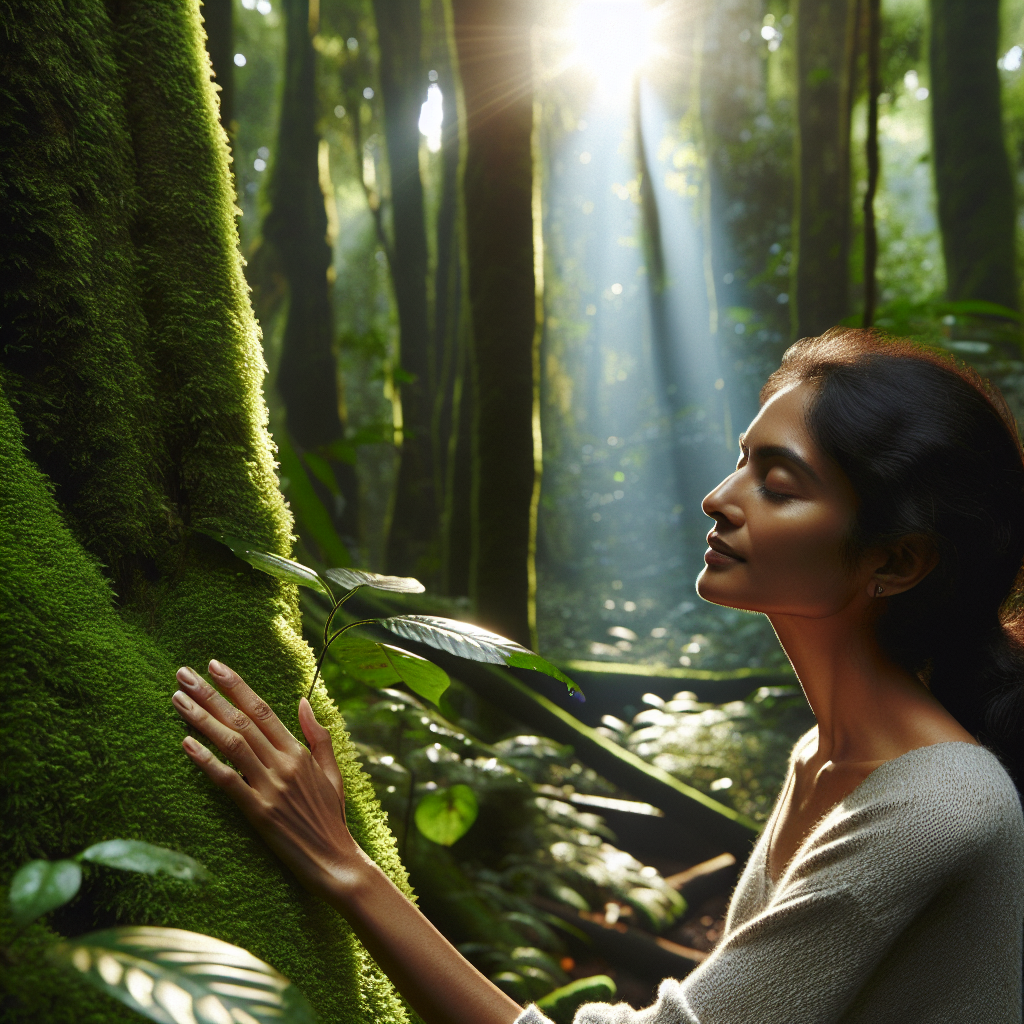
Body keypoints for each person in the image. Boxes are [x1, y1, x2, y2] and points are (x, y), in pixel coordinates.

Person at [170, 329, 1024, 1024]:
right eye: (742, 460)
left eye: (777, 483)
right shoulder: (822, 757)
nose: (720, 497)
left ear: (895, 561)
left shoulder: (938, 805)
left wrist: (343, 864)